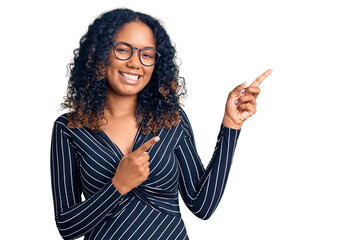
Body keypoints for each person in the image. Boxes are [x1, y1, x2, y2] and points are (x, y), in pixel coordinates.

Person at [50, 8, 272, 240]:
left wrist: (231, 125)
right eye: (124, 50)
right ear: (98, 54)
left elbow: (202, 205)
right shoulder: (69, 128)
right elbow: (67, 227)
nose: (135, 63)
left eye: (146, 54)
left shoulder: (170, 120)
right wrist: (118, 186)